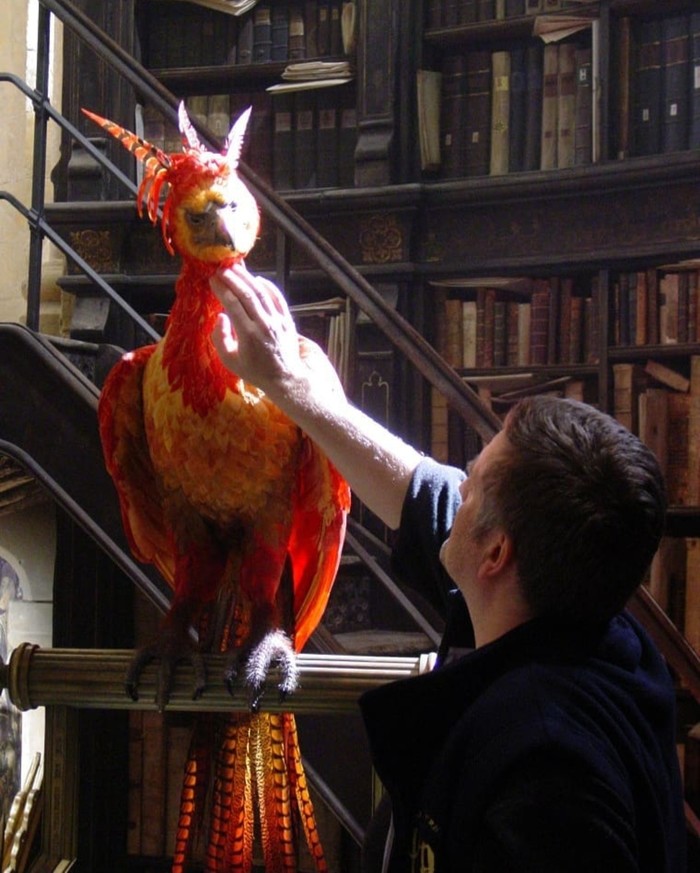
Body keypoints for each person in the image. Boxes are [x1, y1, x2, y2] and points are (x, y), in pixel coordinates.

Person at [210, 262, 687, 873]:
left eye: (475, 483)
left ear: (496, 555)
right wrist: (290, 387)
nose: (458, 488)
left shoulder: (550, 782)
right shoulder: (575, 617)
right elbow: (416, 487)